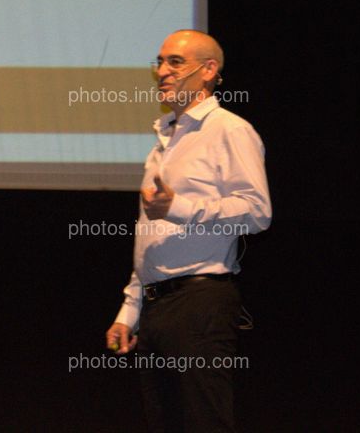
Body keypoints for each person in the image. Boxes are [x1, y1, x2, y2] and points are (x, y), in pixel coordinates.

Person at [105, 29, 272, 432]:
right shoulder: (165, 139)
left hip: (200, 304)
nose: (162, 72)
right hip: (157, 306)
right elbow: (151, 236)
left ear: (208, 70)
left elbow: (256, 212)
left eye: (175, 62)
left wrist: (178, 207)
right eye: (159, 62)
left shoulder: (229, 130)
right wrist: (129, 311)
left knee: (204, 422)